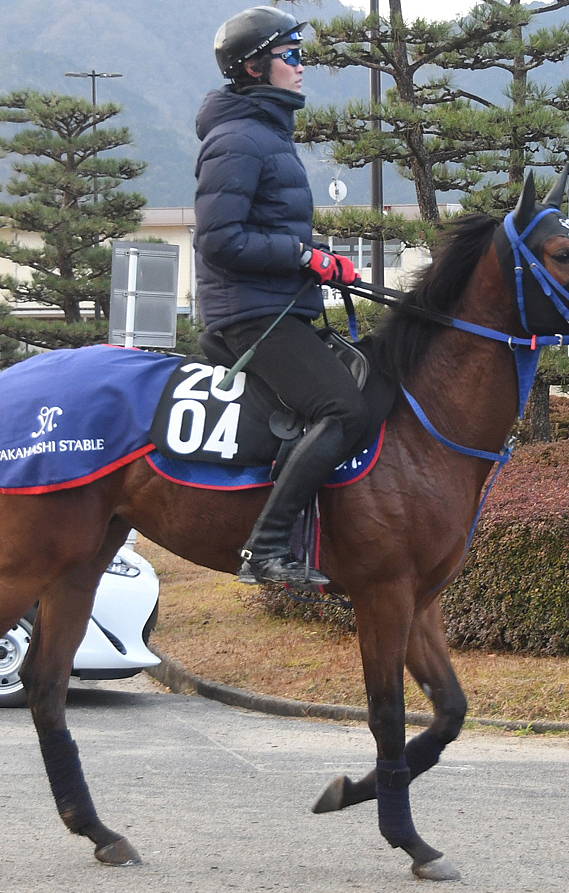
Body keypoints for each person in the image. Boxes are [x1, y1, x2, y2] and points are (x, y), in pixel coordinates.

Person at [195, 6, 366, 586]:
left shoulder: (265, 133)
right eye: (290, 56)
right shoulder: (239, 137)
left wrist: (324, 260)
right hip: (250, 316)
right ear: (253, 67)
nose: (301, 66)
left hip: (280, 306)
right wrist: (303, 257)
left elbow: (273, 231)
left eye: (301, 55)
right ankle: (264, 550)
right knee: (343, 409)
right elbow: (219, 239)